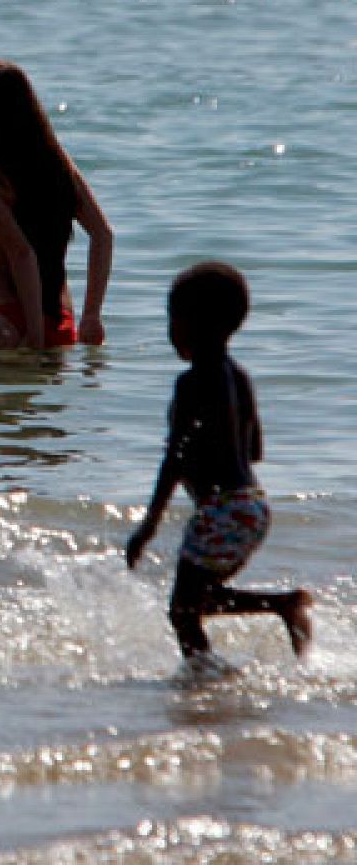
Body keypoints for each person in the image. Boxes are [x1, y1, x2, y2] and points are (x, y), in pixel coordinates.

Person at [125, 261, 313, 667]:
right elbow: (254, 450)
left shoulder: (190, 383)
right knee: (197, 601)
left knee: (183, 611)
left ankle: (207, 676)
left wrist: (149, 525)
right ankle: (281, 606)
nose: (170, 330)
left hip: (222, 509)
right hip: (253, 505)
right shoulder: (240, 377)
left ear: (194, 324)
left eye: (173, 319)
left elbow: (174, 457)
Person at [0, 59, 113, 350]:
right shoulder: (60, 169)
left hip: (5, 317)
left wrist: (35, 336)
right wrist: (91, 315)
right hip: (61, 320)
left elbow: (22, 255)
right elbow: (102, 235)